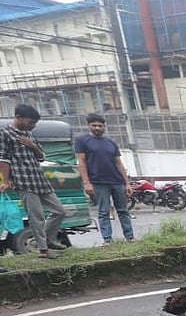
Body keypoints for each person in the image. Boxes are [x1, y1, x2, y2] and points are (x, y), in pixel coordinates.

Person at [0, 104, 69, 258]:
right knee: (36, 217)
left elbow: (41, 156)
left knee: (60, 211)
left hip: (39, 178)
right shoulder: (5, 134)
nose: (33, 126)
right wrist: (5, 180)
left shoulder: (29, 135)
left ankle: (47, 240)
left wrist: (32, 146)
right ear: (18, 117)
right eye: (30, 122)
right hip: (23, 180)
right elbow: (3, 159)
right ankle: (43, 252)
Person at [74, 113, 135, 244]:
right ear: (89, 126)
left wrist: (127, 183)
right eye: (94, 125)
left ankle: (130, 237)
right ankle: (107, 240)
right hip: (98, 182)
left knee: (123, 210)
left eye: (100, 126)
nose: (97, 128)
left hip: (117, 181)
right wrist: (86, 182)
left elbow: (119, 163)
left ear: (104, 127)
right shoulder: (82, 141)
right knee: (103, 211)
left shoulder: (110, 143)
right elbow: (82, 162)